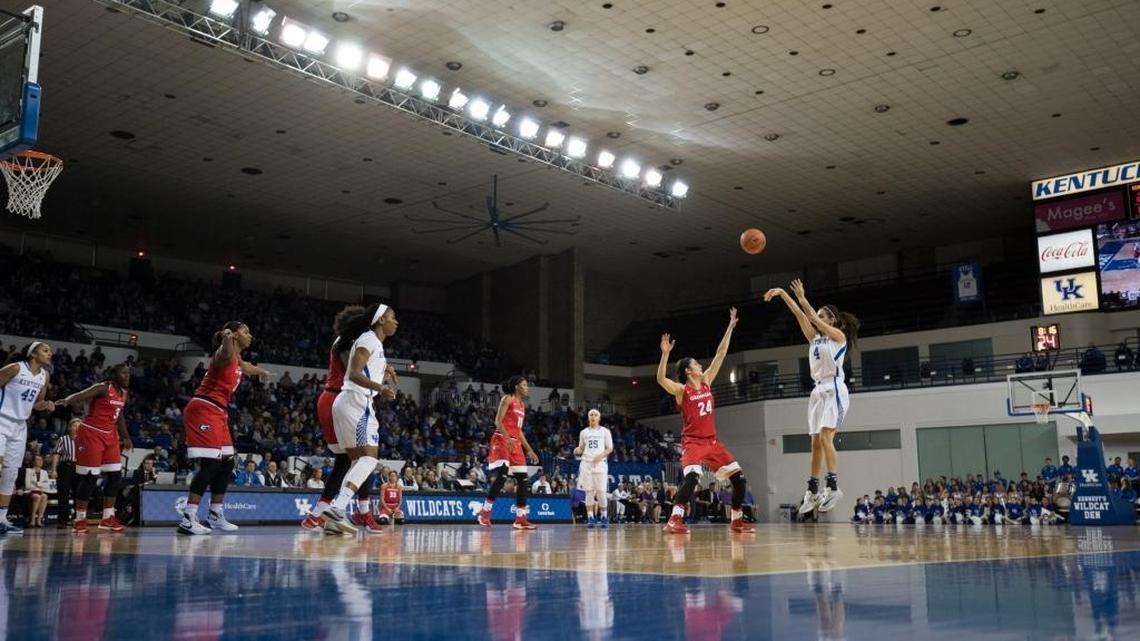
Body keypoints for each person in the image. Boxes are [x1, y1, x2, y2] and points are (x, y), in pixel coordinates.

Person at [655, 307, 755, 534]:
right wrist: (665, 354)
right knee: (692, 476)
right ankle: (674, 520)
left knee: (739, 479)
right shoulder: (682, 390)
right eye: (697, 364)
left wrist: (730, 327)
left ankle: (736, 519)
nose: (701, 365)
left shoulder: (707, 380)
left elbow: (721, 353)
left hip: (712, 442)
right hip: (693, 441)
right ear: (689, 371)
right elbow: (661, 379)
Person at [765, 279, 860, 515]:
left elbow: (811, 317)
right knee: (815, 443)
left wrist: (803, 297)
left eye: (822, 316)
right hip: (817, 391)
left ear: (832, 320)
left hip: (834, 388)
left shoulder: (838, 336)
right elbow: (800, 314)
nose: (817, 318)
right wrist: (782, 294)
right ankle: (813, 489)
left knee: (826, 438)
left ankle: (834, 486)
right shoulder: (814, 339)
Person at [176, 322, 272, 535]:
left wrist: (261, 371)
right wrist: (227, 337)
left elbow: (246, 367)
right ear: (236, 334)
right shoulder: (225, 352)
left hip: (219, 412)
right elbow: (225, 349)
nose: (251, 335)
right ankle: (188, 517)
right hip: (204, 408)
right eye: (246, 331)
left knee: (228, 462)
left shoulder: (236, 358)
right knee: (210, 464)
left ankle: (215, 514)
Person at [321, 303, 399, 535]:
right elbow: (353, 373)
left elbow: (364, 369)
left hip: (348, 402)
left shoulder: (373, 343)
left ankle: (333, 522)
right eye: (392, 317)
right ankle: (337, 508)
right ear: (381, 320)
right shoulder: (368, 339)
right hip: (356, 401)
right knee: (369, 460)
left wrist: (383, 372)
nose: (396, 322)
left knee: (357, 463)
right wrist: (380, 387)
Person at [302, 305, 379, 532]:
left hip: (331, 399)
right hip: (342, 399)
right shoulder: (349, 343)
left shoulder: (343, 340)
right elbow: (354, 372)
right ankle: (362, 512)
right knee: (363, 459)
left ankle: (317, 515)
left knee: (346, 461)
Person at [56, 363, 134, 533]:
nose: (127, 376)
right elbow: (83, 394)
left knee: (115, 476)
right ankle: (79, 520)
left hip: (111, 435)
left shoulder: (124, 393)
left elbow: (120, 416)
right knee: (90, 478)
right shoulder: (103, 387)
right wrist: (68, 400)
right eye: (123, 373)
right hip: (92, 433)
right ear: (114, 374)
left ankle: (107, 518)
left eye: (128, 373)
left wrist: (126, 437)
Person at [0, 341, 56, 534]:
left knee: (11, 472)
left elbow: (37, 404)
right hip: (1, 420)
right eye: (45, 350)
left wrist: (46, 405)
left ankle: (2, 519)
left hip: (19, 426)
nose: (50, 353)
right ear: (33, 354)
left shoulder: (44, 376)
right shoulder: (15, 368)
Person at [477, 375, 540, 530]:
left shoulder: (522, 405)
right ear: (517, 386)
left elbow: (518, 431)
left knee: (523, 479)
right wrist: (508, 438)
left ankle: (520, 519)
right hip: (502, 439)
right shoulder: (507, 398)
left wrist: (530, 450)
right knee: (503, 474)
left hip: (515, 442)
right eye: (525, 385)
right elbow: (497, 421)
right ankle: (484, 513)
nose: (527, 387)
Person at [574, 408, 614, 528]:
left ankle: (603, 516)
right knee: (589, 492)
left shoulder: (605, 431)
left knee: (601, 492)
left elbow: (610, 448)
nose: (593, 416)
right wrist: (577, 450)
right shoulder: (583, 432)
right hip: (586, 464)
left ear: (599, 418)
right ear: (588, 417)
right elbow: (581, 447)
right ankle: (590, 517)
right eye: (591, 414)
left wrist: (600, 456)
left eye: (595, 415)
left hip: (600, 464)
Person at [50, 419, 79, 528]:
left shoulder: (84, 439)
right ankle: (63, 520)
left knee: (79, 495)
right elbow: (56, 454)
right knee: (63, 494)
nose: (77, 428)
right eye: (75, 425)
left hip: (79, 468)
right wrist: (54, 469)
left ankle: (78, 519)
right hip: (65, 467)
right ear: (69, 427)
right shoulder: (63, 439)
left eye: (79, 426)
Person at [25, 455, 52, 528]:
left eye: (41, 460)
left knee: (44, 496)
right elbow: (28, 485)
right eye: (38, 460)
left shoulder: (44, 472)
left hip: (40, 492)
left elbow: (46, 485)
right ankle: (32, 519)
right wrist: (40, 485)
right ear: (33, 461)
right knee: (37, 496)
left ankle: (39, 519)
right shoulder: (28, 471)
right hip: (30, 492)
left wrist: (37, 483)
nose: (40, 461)